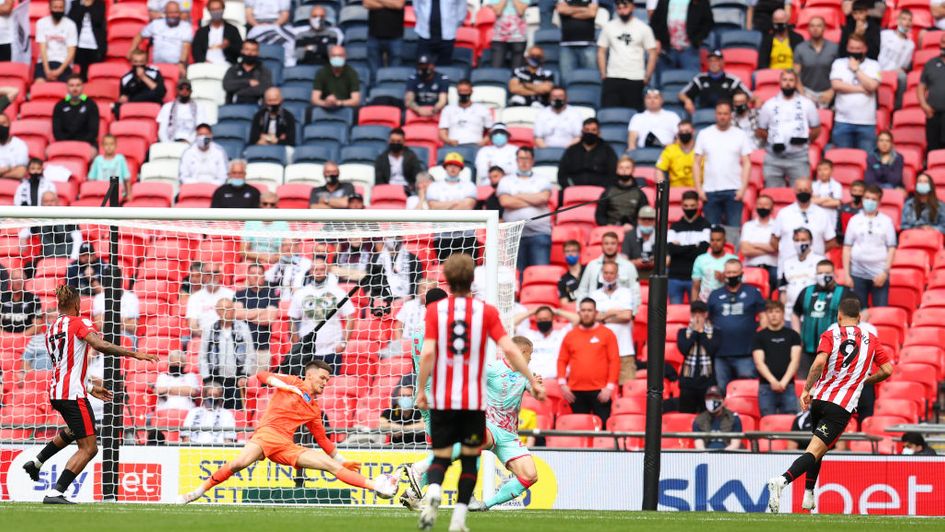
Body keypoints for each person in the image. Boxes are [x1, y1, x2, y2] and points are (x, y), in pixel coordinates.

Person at [414, 254, 542, 532]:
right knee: (471, 457)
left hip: (445, 393)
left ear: (449, 279)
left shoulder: (436, 313)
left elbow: (428, 353)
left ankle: (432, 491)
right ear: (472, 280)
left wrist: (421, 388)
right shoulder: (484, 312)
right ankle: (459, 517)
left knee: (443, 452)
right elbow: (508, 349)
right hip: (473, 399)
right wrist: (531, 378)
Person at [180, 361, 399, 504]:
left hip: (286, 446)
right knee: (239, 464)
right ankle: (197, 492)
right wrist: (286, 386)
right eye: (322, 378)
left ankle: (375, 485)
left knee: (330, 465)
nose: (325, 382)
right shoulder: (292, 381)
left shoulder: (314, 409)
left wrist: (343, 460)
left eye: (328, 380)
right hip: (266, 434)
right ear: (309, 375)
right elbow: (262, 375)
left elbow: (322, 439)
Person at [21, 285, 157, 504]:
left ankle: (36, 462)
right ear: (77, 304)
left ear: (59, 305)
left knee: (75, 430)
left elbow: (68, 365)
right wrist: (134, 353)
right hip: (73, 394)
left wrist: (92, 388)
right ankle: (56, 492)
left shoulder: (52, 328)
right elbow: (99, 344)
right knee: (90, 448)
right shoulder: (80, 322)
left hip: (57, 391)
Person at [767, 298, 893, 514]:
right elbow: (888, 370)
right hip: (840, 407)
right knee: (815, 450)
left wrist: (807, 389)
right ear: (860, 318)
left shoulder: (829, 334)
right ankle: (782, 480)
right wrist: (864, 380)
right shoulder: (871, 340)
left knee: (818, 448)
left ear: (839, 317)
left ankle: (808, 494)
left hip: (820, 400)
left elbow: (818, 363)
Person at [468, 336, 542, 511]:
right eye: (530, 354)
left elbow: (536, 393)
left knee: (530, 475)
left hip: (509, 436)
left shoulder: (526, 374)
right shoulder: (492, 369)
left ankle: (485, 505)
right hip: (489, 424)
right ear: (523, 352)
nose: (531, 358)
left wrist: (537, 387)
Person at [283, 257, 355, 375]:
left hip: (332, 350)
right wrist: (297, 344)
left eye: (322, 269)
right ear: (310, 271)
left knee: (330, 387)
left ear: (327, 270)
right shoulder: (300, 294)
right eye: (315, 269)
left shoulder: (338, 292)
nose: (319, 272)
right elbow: (292, 320)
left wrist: (343, 343)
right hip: (308, 350)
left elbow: (350, 317)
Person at [557, 297, 619, 425]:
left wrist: (609, 387)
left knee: (602, 430)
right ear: (579, 313)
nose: (586, 313)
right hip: (576, 391)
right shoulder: (570, 335)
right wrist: (562, 383)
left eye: (590, 310)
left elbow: (614, 361)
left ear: (596, 313)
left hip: (600, 391)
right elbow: (562, 360)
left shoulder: (607, 334)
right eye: (583, 310)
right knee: (580, 429)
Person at [706, 259, 766, 392]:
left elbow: (763, 318)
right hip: (720, 354)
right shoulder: (715, 295)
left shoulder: (753, 293)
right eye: (728, 272)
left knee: (746, 391)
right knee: (720, 391)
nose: (731, 275)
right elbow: (708, 321)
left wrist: (761, 341)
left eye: (734, 272)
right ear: (724, 274)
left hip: (746, 353)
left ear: (741, 273)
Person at [791, 260, 857, 377]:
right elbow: (795, 313)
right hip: (807, 349)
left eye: (827, 272)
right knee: (804, 385)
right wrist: (797, 335)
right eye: (820, 273)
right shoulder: (806, 291)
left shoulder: (845, 292)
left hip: (834, 351)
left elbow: (862, 313)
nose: (824, 276)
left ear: (834, 273)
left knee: (829, 386)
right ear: (815, 274)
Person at [757, 70, 822, 189]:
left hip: (799, 158)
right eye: (785, 80)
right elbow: (761, 130)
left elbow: (817, 128)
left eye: (791, 80)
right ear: (780, 82)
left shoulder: (807, 104)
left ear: (796, 83)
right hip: (774, 158)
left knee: (801, 194)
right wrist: (773, 140)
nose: (788, 83)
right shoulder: (769, 104)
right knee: (774, 196)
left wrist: (806, 140)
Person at [693, 101, 753, 228]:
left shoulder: (740, 134)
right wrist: (699, 189)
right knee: (711, 231)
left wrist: (742, 189)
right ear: (715, 115)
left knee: (733, 231)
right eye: (719, 113)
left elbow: (747, 163)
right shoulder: (704, 134)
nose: (722, 116)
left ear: (730, 115)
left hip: (734, 191)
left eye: (725, 113)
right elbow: (696, 163)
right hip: (710, 190)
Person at [498, 147, 553, 272]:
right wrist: (533, 200)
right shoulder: (506, 180)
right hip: (513, 236)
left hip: (540, 234)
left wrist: (518, 195)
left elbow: (543, 198)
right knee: (515, 276)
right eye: (521, 158)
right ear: (516, 160)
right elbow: (505, 201)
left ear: (533, 160)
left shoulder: (542, 180)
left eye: (527, 158)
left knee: (540, 274)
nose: (524, 162)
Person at [596, 0, 657, 111]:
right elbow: (601, 50)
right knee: (610, 113)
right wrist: (603, 73)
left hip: (635, 78)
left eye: (625, 6)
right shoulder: (609, 27)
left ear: (633, 7)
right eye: (619, 7)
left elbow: (652, 53)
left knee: (633, 115)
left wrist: (647, 76)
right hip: (612, 77)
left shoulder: (644, 28)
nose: (622, 10)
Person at [842, 185, 896, 308]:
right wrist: (846, 274)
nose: (869, 201)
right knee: (858, 314)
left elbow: (891, 248)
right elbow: (847, 247)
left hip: (879, 274)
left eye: (873, 199)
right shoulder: (854, 220)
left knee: (880, 313)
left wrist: (885, 273)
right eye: (867, 198)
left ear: (879, 201)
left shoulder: (887, 221)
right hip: (857, 275)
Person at [198, 298, 256, 409]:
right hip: (216, 380)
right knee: (215, 411)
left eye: (230, 309)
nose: (227, 312)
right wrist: (207, 380)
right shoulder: (209, 330)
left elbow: (250, 354)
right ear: (217, 311)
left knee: (237, 412)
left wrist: (245, 374)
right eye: (224, 309)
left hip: (237, 379)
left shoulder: (243, 328)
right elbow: (203, 357)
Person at [770, 178, 837, 271]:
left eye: (806, 190)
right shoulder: (784, 213)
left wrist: (815, 252)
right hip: (787, 268)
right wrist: (786, 251)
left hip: (814, 269)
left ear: (812, 191)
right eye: (800, 190)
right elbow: (774, 240)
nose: (803, 192)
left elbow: (832, 242)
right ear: (794, 191)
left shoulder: (822, 214)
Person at [589, 262, 639, 384]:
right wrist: (613, 312)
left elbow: (627, 316)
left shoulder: (626, 292)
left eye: (612, 273)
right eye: (606, 272)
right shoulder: (594, 295)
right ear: (602, 274)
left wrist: (603, 317)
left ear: (617, 275)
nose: (608, 276)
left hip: (624, 350)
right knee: (602, 389)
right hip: (601, 351)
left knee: (627, 387)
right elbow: (592, 318)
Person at [829, 34, 880, 152]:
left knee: (866, 162)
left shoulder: (874, 65)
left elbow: (872, 86)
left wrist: (856, 69)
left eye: (858, 49)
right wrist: (863, 89)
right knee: (842, 161)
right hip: (843, 121)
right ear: (847, 48)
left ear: (865, 49)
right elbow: (836, 85)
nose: (854, 51)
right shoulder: (839, 63)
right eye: (852, 48)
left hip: (866, 123)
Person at [752, 300, 801, 416]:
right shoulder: (759, 336)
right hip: (766, 386)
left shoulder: (793, 335)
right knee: (767, 423)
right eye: (770, 312)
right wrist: (773, 381)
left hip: (788, 386)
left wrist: (783, 382)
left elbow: (795, 361)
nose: (773, 315)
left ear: (783, 314)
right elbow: (759, 363)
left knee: (790, 423)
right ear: (766, 315)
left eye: (777, 311)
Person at [677, 300, 721, 413]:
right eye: (694, 313)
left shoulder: (715, 333)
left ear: (706, 314)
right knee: (685, 415)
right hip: (688, 382)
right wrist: (695, 333)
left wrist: (701, 333)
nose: (697, 316)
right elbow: (684, 349)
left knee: (706, 416)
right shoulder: (682, 332)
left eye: (700, 313)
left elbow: (712, 350)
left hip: (707, 381)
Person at [668, 191, 711, 303]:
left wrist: (681, 248)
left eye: (692, 206)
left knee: (696, 313)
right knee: (675, 313)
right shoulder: (675, 226)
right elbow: (671, 249)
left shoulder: (705, 225)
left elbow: (702, 251)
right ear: (681, 205)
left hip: (696, 278)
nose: (689, 208)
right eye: (686, 206)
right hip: (675, 277)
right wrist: (693, 246)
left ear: (698, 205)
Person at [130, 1, 192, 78]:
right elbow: (140, 35)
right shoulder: (156, 24)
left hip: (176, 65)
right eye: (170, 12)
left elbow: (186, 47)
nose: (173, 15)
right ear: (165, 13)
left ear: (180, 13)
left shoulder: (185, 27)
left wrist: (181, 63)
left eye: (176, 12)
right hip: (156, 65)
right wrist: (131, 51)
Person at [679, 50, 752, 114]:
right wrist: (687, 101)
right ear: (707, 63)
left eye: (716, 60)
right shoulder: (700, 78)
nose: (713, 63)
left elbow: (750, 96)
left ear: (722, 62)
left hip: (727, 116)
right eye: (711, 61)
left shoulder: (732, 80)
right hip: (705, 115)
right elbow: (681, 94)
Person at [649, 0, 713, 73]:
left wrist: (698, 39)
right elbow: (655, 21)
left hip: (690, 50)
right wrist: (657, 39)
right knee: (666, 79)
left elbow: (708, 22)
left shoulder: (700, 1)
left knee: (692, 81)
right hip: (667, 50)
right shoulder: (664, 1)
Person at [780, 228, 826, 325]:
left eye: (803, 240)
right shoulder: (787, 263)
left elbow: (825, 289)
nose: (800, 243)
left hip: (812, 314)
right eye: (797, 240)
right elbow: (783, 292)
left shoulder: (820, 262)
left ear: (811, 241)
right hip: (789, 315)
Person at [575, 232, 639, 302]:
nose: (609, 247)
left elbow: (635, 293)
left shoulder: (629, 266)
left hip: (620, 310)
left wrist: (632, 312)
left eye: (613, 243)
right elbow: (582, 290)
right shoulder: (592, 265)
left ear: (618, 246)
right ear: (601, 246)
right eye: (606, 243)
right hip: (595, 309)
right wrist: (581, 310)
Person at [557, 118, 618, 188]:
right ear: (582, 131)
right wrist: (570, 186)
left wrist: (604, 188)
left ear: (599, 132)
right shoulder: (572, 150)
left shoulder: (607, 150)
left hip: (600, 191)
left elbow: (612, 174)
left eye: (593, 130)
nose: (590, 133)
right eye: (587, 130)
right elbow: (562, 174)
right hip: (574, 189)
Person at [793, 18, 839, 110]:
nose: (815, 28)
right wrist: (803, 95)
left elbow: (840, 73)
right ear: (808, 29)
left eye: (819, 25)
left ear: (824, 28)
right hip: (807, 92)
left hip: (829, 92)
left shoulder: (834, 48)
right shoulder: (800, 48)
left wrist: (832, 92)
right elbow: (796, 74)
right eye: (812, 26)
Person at [234, 262, 279, 354]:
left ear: (263, 276)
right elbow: (237, 315)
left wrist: (246, 315)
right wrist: (261, 311)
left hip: (262, 348)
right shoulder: (239, 294)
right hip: (241, 347)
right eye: (253, 273)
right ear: (248, 276)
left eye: (259, 274)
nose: (256, 276)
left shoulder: (271, 295)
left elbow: (269, 319)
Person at [520, 307, 577, 379]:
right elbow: (511, 323)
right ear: (536, 320)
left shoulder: (561, 334)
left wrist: (555, 311)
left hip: (555, 381)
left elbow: (577, 319)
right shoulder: (529, 335)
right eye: (540, 319)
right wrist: (532, 312)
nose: (543, 322)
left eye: (546, 319)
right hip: (533, 381)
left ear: (552, 319)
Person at [740, 195, 778, 295]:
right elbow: (745, 251)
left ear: (772, 208)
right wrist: (769, 248)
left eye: (766, 205)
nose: (762, 207)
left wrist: (754, 245)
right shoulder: (748, 225)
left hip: (772, 268)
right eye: (760, 204)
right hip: (751, 266)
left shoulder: (777, 225)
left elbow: (776, 248)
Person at [595, 156, 648, 227]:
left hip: (631, 230)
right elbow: (599, 215)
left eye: (627, 168)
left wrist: (633, 226)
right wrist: (607, 225)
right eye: (621, 168)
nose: (624, 170)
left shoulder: (640, 194)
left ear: (633, 170)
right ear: (616, 170)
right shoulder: (608, 191)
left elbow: (644, 216)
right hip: (610, 229)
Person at [185, 263, 235, 337]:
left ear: (220, 275)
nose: (212, 276)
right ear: (203, 276)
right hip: (203, 338)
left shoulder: (231, 295)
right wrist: (209, 336)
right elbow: (193, 326)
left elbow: (236, 321)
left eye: (215, 272)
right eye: (209, 273)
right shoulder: (194, 298)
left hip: (228, 337)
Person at [438, 79, 492, 147]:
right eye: (461, 91)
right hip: (453, 145)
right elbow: (442, 132)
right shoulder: (448, 109)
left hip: (475, 145)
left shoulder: (482, 109)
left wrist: (483, 142)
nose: (463, 93)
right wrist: (449, 141)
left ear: (471, 91)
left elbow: (491, 131)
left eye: (466, 91)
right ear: (457, 92)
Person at [412, 0, 467, 66]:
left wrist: (451, 26)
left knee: (444, 69)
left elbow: (461, 12)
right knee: (423, 68)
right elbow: (416, 7)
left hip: (447, 37)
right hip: (424, 35)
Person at [691, 226, 739, 302]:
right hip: (706, 304)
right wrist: (694, 306)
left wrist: (726, 279)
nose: (715, 243)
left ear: (725, 241)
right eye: (712, 240)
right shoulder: (700, 259)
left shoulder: (733, 259)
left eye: (718, 240)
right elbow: (695, 287)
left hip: (726, 302)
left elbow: (740, 285)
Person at [35, 0, 78, 83]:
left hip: (63, 63)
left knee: (62, 89)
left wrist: (59, 71)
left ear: (64, 8)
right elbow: (43, 49)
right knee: (39, 84)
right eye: (55, 7)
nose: (58, 10)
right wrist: (47, 70)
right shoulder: (41, 23)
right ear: (50, 8)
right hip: (44, 63)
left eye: (60, 8)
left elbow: (71, 52)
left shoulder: (71, 25)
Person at [52, 75, 99, 149]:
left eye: (78, 85)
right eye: (71, 85)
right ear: (67, 87)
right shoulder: (60, 105)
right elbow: (57, 132)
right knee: (48, 152)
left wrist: (79, 145)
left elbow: (93, 132)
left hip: (87, 143)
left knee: (91, 152)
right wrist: (68, 144)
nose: (75, 88)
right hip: (64, 143)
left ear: (82, 86)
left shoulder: (91, 104)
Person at [374, 128, 425, 194]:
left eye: (398, 141)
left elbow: (417, 175)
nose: (395, 143)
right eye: (393, 141)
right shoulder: (381, 158)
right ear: (389, 141)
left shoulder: (411, 156)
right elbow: (379, 180)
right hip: (388, 189)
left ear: (403, 142)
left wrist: (411, 187)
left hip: (406, 189)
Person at [692, 386, 743, 450]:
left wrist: (721, 456)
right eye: (709, 397)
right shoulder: (699, 420)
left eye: (716, 397)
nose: (712, 400)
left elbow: (735, 445)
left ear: (723, 400)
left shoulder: (733, 418)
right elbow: (699, 446)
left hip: (729, 456)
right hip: (706, 457)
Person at [242, 193, 288, 263]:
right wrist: (263, 257)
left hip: (275, 261)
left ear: (276, 206)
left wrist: (274, 258)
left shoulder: (283, 224)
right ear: (260, 204)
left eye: (272, 204)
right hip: (253, 260)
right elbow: (243, 251)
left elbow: (286, 250)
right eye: (265, 204)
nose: (268, 206)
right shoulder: (250, 222)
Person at [223, 39, 272, 105]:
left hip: (256, 108)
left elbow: (265, 88)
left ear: (258, 52)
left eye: (253, 50)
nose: (249, 53)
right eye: (247, 49)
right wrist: (248, 82)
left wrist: (238, 91)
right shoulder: (233, 69)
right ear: (242, 51)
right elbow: (227, 85)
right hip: (233, 107)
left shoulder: (264, 70)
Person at [193, 0, 242, 65]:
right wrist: (203, 61)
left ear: (223, 9)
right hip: (205, 65)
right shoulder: (201, 32)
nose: (216, 12)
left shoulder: (232, 30)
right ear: (209, 10)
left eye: (218, 9)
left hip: (227, 65)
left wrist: (228, 46)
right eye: (213, 9)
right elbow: (196, 51)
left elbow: (239, 50)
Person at [918, 33, 945, 153]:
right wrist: (924, 105)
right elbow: (921, 87)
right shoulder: (930, 64)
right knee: (933, 148)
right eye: (943, 42)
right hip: (933, 114)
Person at [556, 0, 599, 72]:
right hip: (567, 46)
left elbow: (592, 13)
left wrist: (570, 12)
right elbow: (561, 10)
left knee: (590, 78)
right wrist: (585, 9)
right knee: (567, 80)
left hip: (588, 45)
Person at [67, 0, 106, 80]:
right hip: (78, 47)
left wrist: (89, 6)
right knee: (81, 75)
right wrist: (82, 5)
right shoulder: (76, 3)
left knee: (94, 74)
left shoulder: (100, 4)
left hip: (95, 47)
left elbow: (97, 20)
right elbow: (72, 20)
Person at [365, 0, 405, 73]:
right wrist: (391, 3)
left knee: (394, 75)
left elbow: (399, 4)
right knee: (374, 75)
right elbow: (367, 3)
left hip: (395, 37)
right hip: (374, 36)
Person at [486, 0, 528, 68]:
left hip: (518, 37)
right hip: (499, 37)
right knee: (496, 67)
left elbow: (521, 11)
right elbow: (498, 12)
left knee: (517, 71)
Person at [0, 268, 42, 334]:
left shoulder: (33, 299)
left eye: (21, 278)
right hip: (4, 338)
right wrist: (6, 337)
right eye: (15, 278)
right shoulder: (2, 298)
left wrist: (20, 337)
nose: (18, 281)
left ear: (25, 280)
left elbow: (37, 326)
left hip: (26, 339)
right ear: (9, 281)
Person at [656, 121, 696, 188]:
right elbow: (659, 169)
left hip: (696, 189)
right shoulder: (670, 149)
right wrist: (662, 190)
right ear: (678, 134)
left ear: (693, 131)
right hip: (675, 189)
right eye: (681, 132)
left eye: (686, 131)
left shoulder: (700, 149)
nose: (684, 133)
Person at [877, 9, 914, 82]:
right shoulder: (884, 34)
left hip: (894, 74)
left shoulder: (911, 45)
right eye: (904, 19)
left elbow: (904, 65)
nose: (907, 22)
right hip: (878, 69)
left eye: (910, 20)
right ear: (898, 21)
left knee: (903, 77)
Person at [624, 207, 658, 281]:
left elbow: (667, 259)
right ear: (638, 220)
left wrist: (654, 262)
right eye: (643, 219)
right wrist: (637, 262)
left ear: (655, 221)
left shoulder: (660, 236)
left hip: (656, 275)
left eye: (650, 219)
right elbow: (624, 260)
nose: (646, 221)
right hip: (634, 274)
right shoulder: (630, 235)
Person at [811, 159, 843, 229]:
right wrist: (828, 198)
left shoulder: (836, 185)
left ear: (831, 171)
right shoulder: (813, 185)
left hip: (830, 217)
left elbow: (836, 203)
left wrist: (818, 200)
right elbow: (811, 202)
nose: (822, 172)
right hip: (815, 217)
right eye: (819, 170)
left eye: (825, 169)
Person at [0, 114, 30, 180]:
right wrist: (9, 168)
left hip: (14, 185)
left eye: (3, 123)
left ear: (9, 124)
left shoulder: (20, 145)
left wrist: (2, 174)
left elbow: (20, 172)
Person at [558, 240, 584, 304]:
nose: (570, 254)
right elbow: (564, 303)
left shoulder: (588, 270)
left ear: (579, 253)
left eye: (573, 251)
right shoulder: (563, 280)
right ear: (564, 254)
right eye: (567, 251)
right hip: (573, 311)